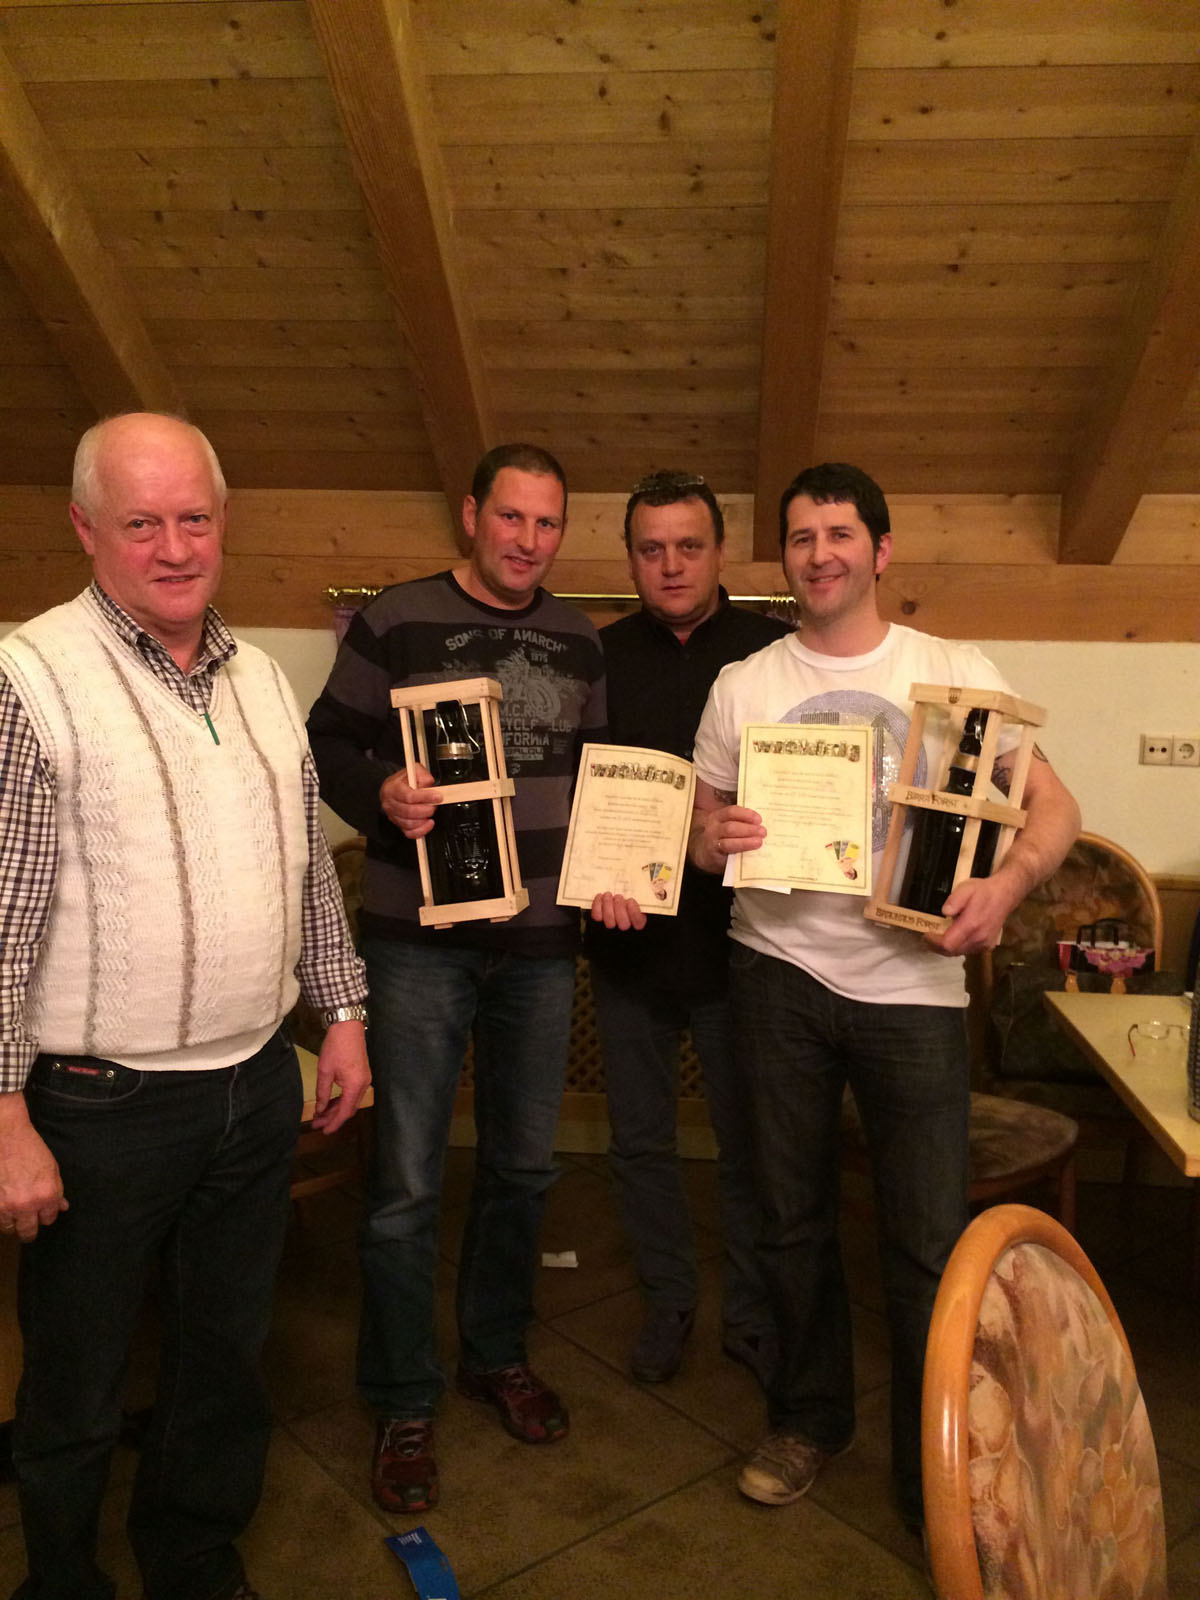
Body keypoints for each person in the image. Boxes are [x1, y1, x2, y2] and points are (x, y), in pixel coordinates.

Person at [0, 413, 371, 1600]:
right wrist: (3, 1117)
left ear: (223, 521)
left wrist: (345, 1012)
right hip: (98, 1105)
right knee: (77, 1376)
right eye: (142, 522)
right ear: (85, 528)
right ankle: (62, 1580)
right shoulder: (31, 677)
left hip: (254, 1086)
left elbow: (306, 865)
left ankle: (194, 1558)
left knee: (222, 1359)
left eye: (194, 518)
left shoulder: (259, 676)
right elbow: (1, 919)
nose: (174, 547)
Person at [688, 462, 1079, 1532]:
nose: (820, 554)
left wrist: (1007, 884)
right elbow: (700, 824)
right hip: (775, 975)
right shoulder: (744, 684)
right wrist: (711, 837)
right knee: (790, 1220)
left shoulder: (951, 671)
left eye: (839, 534)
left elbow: (1055, 807)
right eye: (801, 536)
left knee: (925, 1242)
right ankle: (809, 1418)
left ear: (880, 550)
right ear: (785, 556)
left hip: (914, 990)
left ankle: (932, 1461)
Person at [308, 443, 638, 1515]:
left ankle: (494, 1354)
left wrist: (620, 869)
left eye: (547, 523)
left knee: (524, 1169)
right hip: (417, 942)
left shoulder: (580, 637)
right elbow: (325, 743)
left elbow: (599, 783)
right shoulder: (395, 618)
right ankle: (402, 1394)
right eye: (511, 517)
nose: (527, 541)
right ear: (471, 514)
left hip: (541, 945)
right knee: (407, 1181)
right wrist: (382, 793)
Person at [587, 471, 789, 1387]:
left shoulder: (774, 656)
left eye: (689, 546)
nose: (670, 565)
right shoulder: (597, 658)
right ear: (631, 558)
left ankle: (750, 1313)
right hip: (626, 940)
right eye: (651, 549)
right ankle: (668, 1301)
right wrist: (593, 882)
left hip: (745, 946)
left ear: (720, 552)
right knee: (639, 1142)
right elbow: (575, 792)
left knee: (749, 1146)